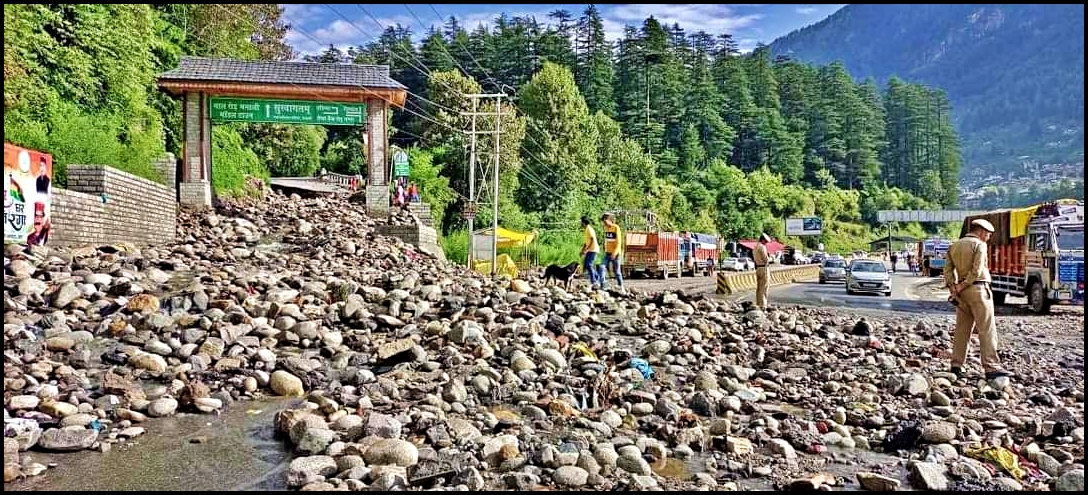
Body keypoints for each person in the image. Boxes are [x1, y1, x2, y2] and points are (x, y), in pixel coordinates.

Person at [944, 219, 1011, 380]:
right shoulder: (979, 245)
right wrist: (965, 284)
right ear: (980, 231)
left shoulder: (954, 245)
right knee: (986, 328)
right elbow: (977, 269)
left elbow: (947, 270)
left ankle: (956, 365)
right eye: (987, 234)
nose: (988, 237)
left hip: (961, 295)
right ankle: (991, 366)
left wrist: (954, 287)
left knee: (962, 330)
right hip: (978, 289)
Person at [599, 213, 625, 291]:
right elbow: (607, 240)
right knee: (602, 267)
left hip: (616, 254)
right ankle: (603, 285)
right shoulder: (606, 228)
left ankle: (621, 285)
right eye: (603, 222)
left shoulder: (616, 228)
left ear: (610, 220)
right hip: (607, 253)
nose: (604, 223)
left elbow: (619, 242)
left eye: (605, 221)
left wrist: (614, 253)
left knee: (617, 271)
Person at [580, 216, 601, 289]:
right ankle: (597, 277)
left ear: (583, 222)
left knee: (589, 265)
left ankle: (594, 281)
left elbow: (592, 240)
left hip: (593, 250)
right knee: (586, 265)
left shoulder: (589, 229)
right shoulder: (586, 229)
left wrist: (586, 249)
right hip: (590, 250)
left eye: (581, 222)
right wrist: (582, 249)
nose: (580, 223)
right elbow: (586, 242)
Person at [753, 233, 771, 309]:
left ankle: (758, 303)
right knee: (764, 287)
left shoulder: (755, 247)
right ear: (763, 240)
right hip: (764, 268)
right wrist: (771, 258)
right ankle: (763, 305)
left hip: (758, 268)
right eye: (766, 241)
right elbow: (766, 260)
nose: (766, 243)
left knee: (759, 288)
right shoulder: (762, 247)